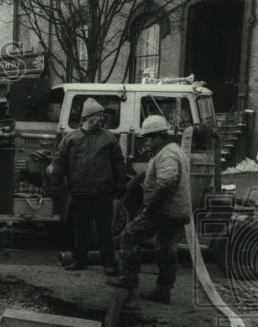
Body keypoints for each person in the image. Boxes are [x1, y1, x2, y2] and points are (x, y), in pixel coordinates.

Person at [108, 115, 192, 304]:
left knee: (129, 234)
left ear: (157, 137)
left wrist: (149, 209)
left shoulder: (167, 154)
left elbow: (167, 182)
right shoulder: (172, 150)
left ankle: (129, 279)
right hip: (177, 211)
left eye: (148, 138)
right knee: (166, 249)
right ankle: (163, 290)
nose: (147, 142)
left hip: (165, 211)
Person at [49, 97, 128, 276]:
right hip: (79, 191)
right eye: (99, 115)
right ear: (88, 117)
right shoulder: (71, 138)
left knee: (105, 229)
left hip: (102, 192)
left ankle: (109, 263)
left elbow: (118, 162)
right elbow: (59, 163)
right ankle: (79, 260)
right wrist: (55, 184)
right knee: (80, 228)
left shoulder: (109, 138)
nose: (102, 119)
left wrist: (121, 183)